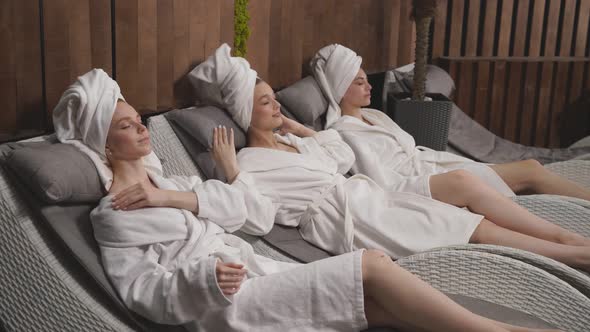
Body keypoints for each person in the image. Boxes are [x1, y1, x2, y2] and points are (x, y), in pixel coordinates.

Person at [51, 68, 561, 332]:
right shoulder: (114, 215)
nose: (141, 127)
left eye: (139, 118)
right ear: (103, 141)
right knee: (372, 267)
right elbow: (144, 292)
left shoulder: (177, 185)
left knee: (381, 309)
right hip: (222, 304)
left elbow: (250, 211)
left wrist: (175, 196)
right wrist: (203, 279)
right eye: (126, 124)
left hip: (252, 268)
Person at [189, 44, 590, 274]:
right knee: (474, 229)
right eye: (264, 101)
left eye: (274, 96)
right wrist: (232, 171)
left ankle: (569, 244)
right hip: (354, 216)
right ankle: (573, 253)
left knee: (475, 222)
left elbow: (340, 156)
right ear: (245, 113)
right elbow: (256, 218)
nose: (276, 104)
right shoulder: (252, 162)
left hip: (372, 200)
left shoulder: (295, 144)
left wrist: (305, 132)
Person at [310, 44, 590, 249]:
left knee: (530, 169)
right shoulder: (343, 132)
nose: (368, 86)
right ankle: (564, 239)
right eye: (359, 82)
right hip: (415, 184)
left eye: (366, 79)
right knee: (523, 172)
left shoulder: (374, 116)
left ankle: (567, 230)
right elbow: (379, 181)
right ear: (340, 88)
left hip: (433, 167)